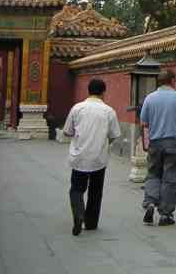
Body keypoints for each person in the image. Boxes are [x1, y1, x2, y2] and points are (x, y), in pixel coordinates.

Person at [62, 78, 121, 236]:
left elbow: (67, 131)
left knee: (76, 189)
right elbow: (114, 135)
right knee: (96, 191)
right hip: (98, 158)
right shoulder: (109, 111)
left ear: (88, 91)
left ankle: (78, 214)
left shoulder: (77, 108)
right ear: (103, 92)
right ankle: (91, 223)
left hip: (79, 156)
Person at [139, 70, 176, 226]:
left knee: (153, 174)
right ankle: (165, 214)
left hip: (155, 142)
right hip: (173, 142)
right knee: (171, 178)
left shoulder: (149, 98)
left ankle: (150, 202)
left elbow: (143, 122)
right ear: (172, 80)